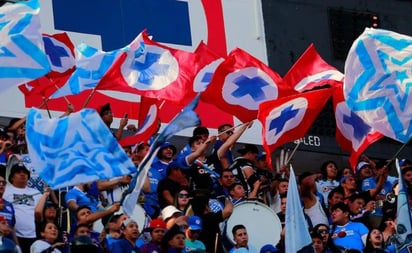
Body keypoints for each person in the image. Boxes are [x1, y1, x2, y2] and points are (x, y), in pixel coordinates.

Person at [3, 163, 43, 253]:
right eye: (18, 172)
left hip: (33, 235)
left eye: (25, 173)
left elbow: (39, 214)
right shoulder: (5, 190)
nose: (22, 174)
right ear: (12, 177)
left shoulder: (36, 193)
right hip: (12, 235)